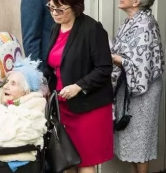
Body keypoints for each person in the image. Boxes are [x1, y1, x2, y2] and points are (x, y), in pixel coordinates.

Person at [43, 0, 114, 172]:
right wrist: (44, 84)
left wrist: (78, 86)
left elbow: (104, 68)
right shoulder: (55, 29)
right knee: (66, 161)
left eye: (59, 9)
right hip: (63, 106)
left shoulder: (92, 29)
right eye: (51, 8)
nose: (54, 13)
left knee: (85, 161)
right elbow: (52, 66)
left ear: (75, 7)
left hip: (89, 106)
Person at [111, 0, 164, 172]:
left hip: (143, 90)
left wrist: (114, 57)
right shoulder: (129, 22)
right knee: (131, 141)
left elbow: (142, 65)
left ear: (136, 1)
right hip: (126, 85)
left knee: (140, 143)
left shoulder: (146, 23)